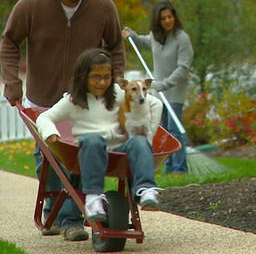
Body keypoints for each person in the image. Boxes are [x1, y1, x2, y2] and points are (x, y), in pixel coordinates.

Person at [0, 0, 125, 241]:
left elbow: (115, 45)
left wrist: (113, 83)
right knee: (48, 158)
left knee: (75, 155)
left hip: (82, 100)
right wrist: (11, 81)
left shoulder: (103, 6)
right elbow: (9, 42)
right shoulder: (32, 5)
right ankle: (52, 207)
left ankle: (70, 219)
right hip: (41, 98)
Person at [36, 48, 163, 222]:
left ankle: (145, 190)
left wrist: (149, 134)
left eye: (107, 77)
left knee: (139, 142)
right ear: (83, 76)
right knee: (93, 138)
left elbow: (156, 104)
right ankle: (93, 198)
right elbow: (45, 117)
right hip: (91, 150)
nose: (102, 83)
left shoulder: (118, 93)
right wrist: (50, 132)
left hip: (119, 150)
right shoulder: (72, 101)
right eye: (96, 77)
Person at [122, 0, 193, 174]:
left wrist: (164, 84)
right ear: (158, 21)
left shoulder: (181, 38)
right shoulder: (156, 37)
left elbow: (183, 68)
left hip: (174, 90)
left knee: (175, 130)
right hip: (160, 93)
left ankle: (180, 168)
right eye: (163, 18)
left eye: (170, 17)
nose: (168, 21)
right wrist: (132, 35)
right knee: (166, 131)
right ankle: (169, 167)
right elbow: (144, 41)